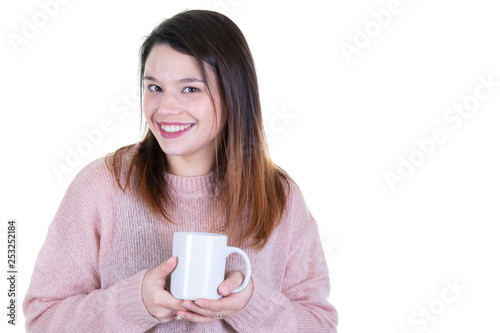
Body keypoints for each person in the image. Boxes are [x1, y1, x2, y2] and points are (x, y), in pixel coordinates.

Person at [23, 9, 338, 332]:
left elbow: (320, 324)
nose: (165, 109)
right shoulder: (102, 185)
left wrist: (250, 303)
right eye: (154, 88)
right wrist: (134, 304)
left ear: (234, 95)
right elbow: (42, 319)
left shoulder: (279, 197)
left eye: (190, 89)